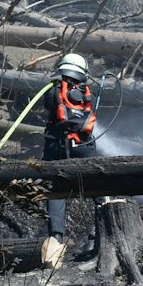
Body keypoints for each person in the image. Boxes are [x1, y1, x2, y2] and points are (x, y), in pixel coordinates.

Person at [43, 53, 101, 239]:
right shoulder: (88, 92)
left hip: (57, 145)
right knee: (100, 184)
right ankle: (105, 224)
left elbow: (47, 106)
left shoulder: (54, 89)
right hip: (83, 145)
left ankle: (56, 237)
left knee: (56, 188)